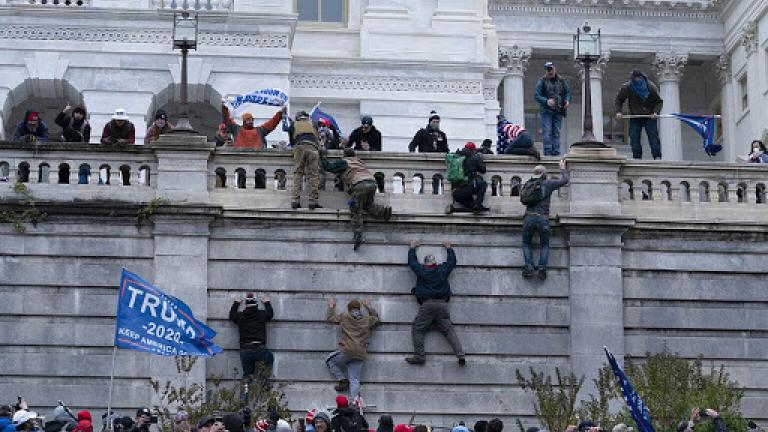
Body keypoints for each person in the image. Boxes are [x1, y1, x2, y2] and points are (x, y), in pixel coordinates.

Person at [405, 239, 465, 365]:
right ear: (435, 263)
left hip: (427, 305)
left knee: (418, 329)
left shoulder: (422, 270)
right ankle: (460, 355)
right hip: (443, 305)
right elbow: (452, 262)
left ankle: (420, 356)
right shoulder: (442, 270)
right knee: (448, 330)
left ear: (426, 263)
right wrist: (449, 247)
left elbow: (412, 262)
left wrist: (412, 248)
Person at [320, 147, 392, 249]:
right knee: (367, 205)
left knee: (355, 209)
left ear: (344, 155)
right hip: (371, 184)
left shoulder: (345, 162)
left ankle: (358, 235)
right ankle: (384, 212)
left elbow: (329, 167)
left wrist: (322, 156)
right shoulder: (359, 162)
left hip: (359, 185)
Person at [521, 160, 569, 280]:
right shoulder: (548, 183)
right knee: (544, 244)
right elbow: (565, 180)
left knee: (526, 243)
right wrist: (562, 168)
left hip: (529, 216)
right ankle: (542, 268)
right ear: (544, 174)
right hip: (542, 218)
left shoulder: (528, 183)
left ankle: (529, 267)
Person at [326, 298, 380, 400]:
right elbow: (376, 318)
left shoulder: (344, 317)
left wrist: (331, 306)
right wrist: (369, 307)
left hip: (347, 351)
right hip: (360, 353)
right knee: (355, 380)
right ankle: (354, 405)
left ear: (349, 309)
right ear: (359, 308)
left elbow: (330, 318)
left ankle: (342, 380)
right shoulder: (367, 320)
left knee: (330, 361)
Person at [615, 69, 664, 160]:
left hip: (649, 116)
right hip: (635, 116)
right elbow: (619, 100)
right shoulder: (627, 87)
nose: (637, 81)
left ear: (642, 78)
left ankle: (657, 156)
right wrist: (619, 111)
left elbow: (659, 102)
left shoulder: (651, 87)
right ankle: (637, 157)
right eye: (635, 79)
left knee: (653, 136)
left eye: (638, 79)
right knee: (634, 136)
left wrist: (656, 112)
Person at [229, 292, 275, 379]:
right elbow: (270, 314)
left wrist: (236, 303)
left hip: (245, 349)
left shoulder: (241, 316)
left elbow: (232, 315)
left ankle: (246, 392)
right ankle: (263, 384)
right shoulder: (261, 314)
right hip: (259, 348)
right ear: (256, 305)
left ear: (246, 306)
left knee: (247, 374)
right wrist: (267, 302)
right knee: (269, 359)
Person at [283, 110, 321, 209]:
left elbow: (292, 141)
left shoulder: (293, 124)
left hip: (299, 147)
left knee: (298, 173)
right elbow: (317, 138)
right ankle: (313, 202)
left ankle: (295, 200)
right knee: (313, 175)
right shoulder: (314, 123)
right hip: (312, 147)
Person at [534, 62, 571, 156]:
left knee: (556, 132)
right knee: (547, 132)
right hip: (546, 111)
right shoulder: (541, 81)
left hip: (558, 110)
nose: (550, 71)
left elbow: (568, 92)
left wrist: (567, 100)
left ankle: (556, 152)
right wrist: (546, 101)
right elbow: (536, 95)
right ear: (546, 70)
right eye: (548, 69)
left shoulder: (562, 80)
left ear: (555, 69)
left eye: (551, 69)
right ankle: (548, 152)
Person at [449, 142, 489, 214]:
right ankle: (478, 204)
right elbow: (483, 170)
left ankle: (455, 210)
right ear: (473, 150)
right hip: (468, 187)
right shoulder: (474, 157)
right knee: (483, 184)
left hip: (456, 192)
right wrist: (480, 158)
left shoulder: (457, 157)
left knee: (473, 206)